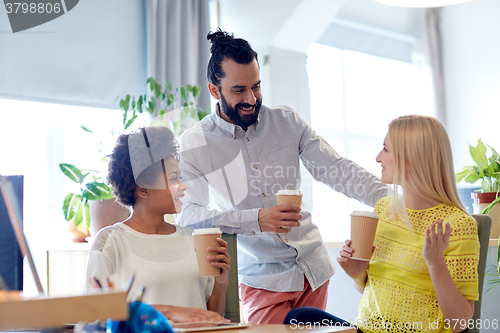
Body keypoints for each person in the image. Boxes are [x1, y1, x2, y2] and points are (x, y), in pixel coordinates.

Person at [176, 29, 388, 324]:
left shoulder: (287, 122)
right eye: (239, 90)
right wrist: (256, 219)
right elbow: (189, 215)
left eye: (257, 86)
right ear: (215, 90)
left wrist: (393, 201)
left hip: (313, 270)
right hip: (261, 279)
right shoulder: (195, 142)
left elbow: (337, 170)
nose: (251, 98)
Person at [284, 115, 480, 333]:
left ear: (410, 158)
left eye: (385, 149)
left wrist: (435, 263)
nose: (378, 158)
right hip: (365, 329)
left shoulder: (458, 225)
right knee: (298, 317)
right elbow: (370, 289)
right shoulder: (384, 209)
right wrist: (359, 273)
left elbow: (460, 323)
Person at [83, 126, 231, 324]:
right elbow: (95, 315)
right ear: (143, 189)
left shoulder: (193, 239)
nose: (183, 185)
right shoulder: (111, 242)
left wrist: (221, 283)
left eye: (180, 177)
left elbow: (213, 318)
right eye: (173, 179)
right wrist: (170, 312)